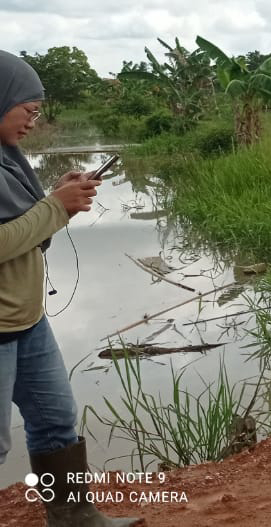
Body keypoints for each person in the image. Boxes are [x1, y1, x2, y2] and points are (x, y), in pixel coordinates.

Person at [0, 50, 138, 526]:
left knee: (56, 421)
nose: (33, 124)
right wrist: (55, 207)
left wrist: (56, 200)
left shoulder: (9, 163)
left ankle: (76, 520)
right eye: (29, 110)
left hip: (26, 321)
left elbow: (27, 230)